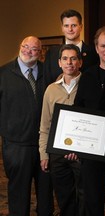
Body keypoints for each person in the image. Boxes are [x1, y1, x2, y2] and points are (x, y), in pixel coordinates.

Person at [68, 25, 105, 216]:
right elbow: (78, 110)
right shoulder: (88, 76)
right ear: (96, 47)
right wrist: (74, 143)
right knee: (92, 200)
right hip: (92, 149)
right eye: (103, 46)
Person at [0, 36, 54, 216]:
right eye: (25, 46)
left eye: (34, 49)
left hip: (45, 145)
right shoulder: (3, 73)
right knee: (18, 195)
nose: (28, 51)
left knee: (46, 195)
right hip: (17, 146)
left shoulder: (49, 72)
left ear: (40, 52)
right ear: (20, 46)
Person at [39, 44, 83, 216]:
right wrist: (44, 154)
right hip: (57, 153)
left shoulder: (88, 85)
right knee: (64, 200)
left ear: (80, 62)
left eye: (73, 58)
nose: (69, 62)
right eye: (65, 59)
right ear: (59, 63)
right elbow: (45, 125)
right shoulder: (51, 90)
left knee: (85, 198)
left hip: (82, 154)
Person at [43, 9, 98, 88]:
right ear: (62, 28)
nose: (70, 29)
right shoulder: (51, 54)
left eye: (74, 25)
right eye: (66, 26)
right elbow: (46, 83)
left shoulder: (93, 53)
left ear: (81, 27)